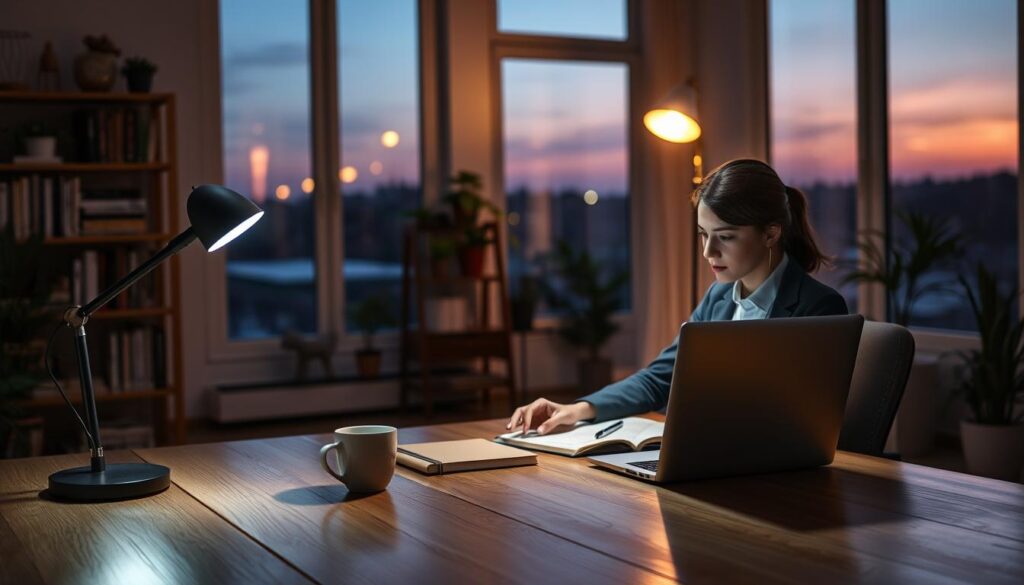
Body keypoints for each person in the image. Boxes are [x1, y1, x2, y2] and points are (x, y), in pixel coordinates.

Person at [506, 158, 849, 435]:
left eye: (725, 237)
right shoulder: (719, 298)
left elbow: (799, 422)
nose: (708, 252)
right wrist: (577, 409)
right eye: (703, 235)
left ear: (771, 233)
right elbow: (661, 377)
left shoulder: (819, 307)